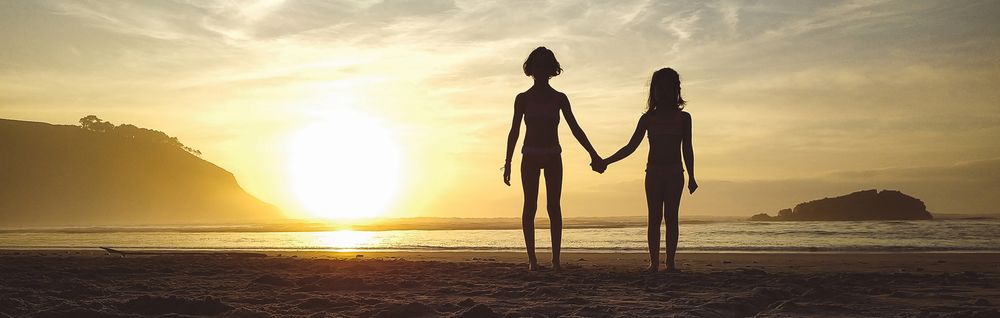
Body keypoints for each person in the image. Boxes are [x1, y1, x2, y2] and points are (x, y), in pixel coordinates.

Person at [504, 47, 602, 271]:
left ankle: (556, 260)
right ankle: (532, 259)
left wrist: (593, 153)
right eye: (536, 65)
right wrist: (507, 162)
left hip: (552, 154)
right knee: (530, 205)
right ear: (531, 68)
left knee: (553, 206)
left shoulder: (559, 98)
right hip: (529, 154)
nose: (540, 69)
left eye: (544, 65)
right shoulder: (522, 99)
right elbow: (514, 131)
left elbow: (575, 128)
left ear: (551, 69)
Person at [599, 68, 698, 272]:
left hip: (674, 173)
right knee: (654, 218)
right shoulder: (647, 119)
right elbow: (630, 147)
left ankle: (670, 263)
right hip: (653, 173)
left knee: (671, 218)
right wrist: (607, 161)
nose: (664, 92)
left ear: (676, 90)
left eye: (668, 88)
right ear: (653, 91)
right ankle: (653, 262)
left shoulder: (684, 118)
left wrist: (692, 176)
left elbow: (687, 148)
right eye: (659, 88)